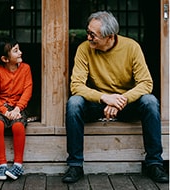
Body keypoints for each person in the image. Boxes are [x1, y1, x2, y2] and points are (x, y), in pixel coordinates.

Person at [62, 11, 169, 183]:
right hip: (99, 104)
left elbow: (146, 83)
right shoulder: (84, 49)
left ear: (110, 36)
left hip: (126, 104)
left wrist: (121, 99)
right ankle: (75, 165)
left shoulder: (131, 47)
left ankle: (154, 164)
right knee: (74, 103)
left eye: (92, 34)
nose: (88, 37)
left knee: (150, 101)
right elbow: (76, 86)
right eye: (88, 31)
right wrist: (105, 97)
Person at [0, 37, 33, 181]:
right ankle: (2, 165)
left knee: (18, 126)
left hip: (19, 106)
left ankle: (18, 165)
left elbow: (27, 90)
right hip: (0, 107)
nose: (20, 52)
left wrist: (17, 109)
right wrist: (5, 111)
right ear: (5, 59)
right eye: (15, 51)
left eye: (19, 49)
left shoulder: (25, 69)